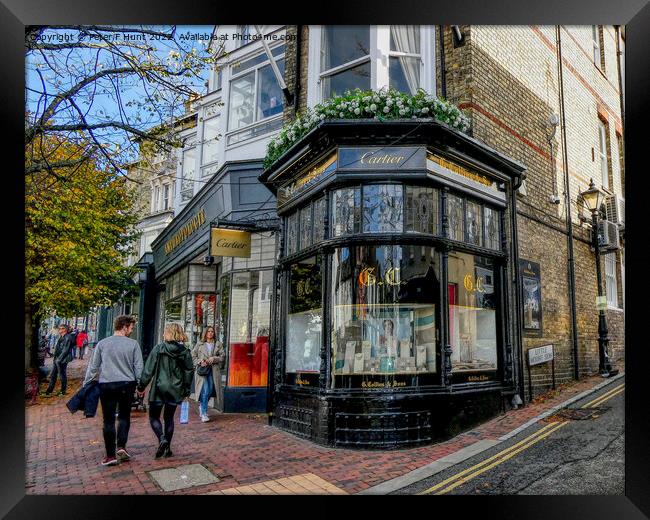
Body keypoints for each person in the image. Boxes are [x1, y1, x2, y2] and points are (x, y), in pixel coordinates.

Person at [83, 315, 143, 467]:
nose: (131, 330)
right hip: (127, 384)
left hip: (107, 384)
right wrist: (140, 385)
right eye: (131, 327)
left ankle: (110, 455)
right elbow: (139, 367)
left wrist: (86, 383)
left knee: (108, 419)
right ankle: (121, 446)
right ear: (124, 326)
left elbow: (93, 366)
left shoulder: (102, 344)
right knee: (124, 416)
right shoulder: (133, 344)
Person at [137, 323, 194, 459]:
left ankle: (162, 439)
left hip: (159, 387)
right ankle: (167, 447)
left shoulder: (159, 349)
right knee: (169, 418)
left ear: (168, 333)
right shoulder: (184, 351)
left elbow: (148, 370)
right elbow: (188, 371)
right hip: (175, 388)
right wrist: (186, 389)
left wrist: (141, 386)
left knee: (154, 417)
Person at [192, 326, 225, 422]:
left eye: (212, 331)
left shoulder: (218, 344)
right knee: (205, 390)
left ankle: (202, 405)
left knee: (210, 390)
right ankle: (204, 413)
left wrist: (214, 358)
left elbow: (222, 356)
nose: (211, 333)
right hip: (203, 371)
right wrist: (200, 361)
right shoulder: (200, 344)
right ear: (205, 333)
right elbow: (193, 356)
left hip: (213, 371)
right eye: (209, 331)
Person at [42, 324, 75, 397]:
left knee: (62, 375)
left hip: (62, 359)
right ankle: (49, 391)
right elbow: (59, 348)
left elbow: (65, 350)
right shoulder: (62, 337)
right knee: (53, 375)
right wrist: (55, 358)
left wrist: (59, 359)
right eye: (59, 328)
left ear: (64, 329)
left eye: (61, 328)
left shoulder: (68, 337)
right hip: (57, 358)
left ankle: (63, 391)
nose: (59, 330)